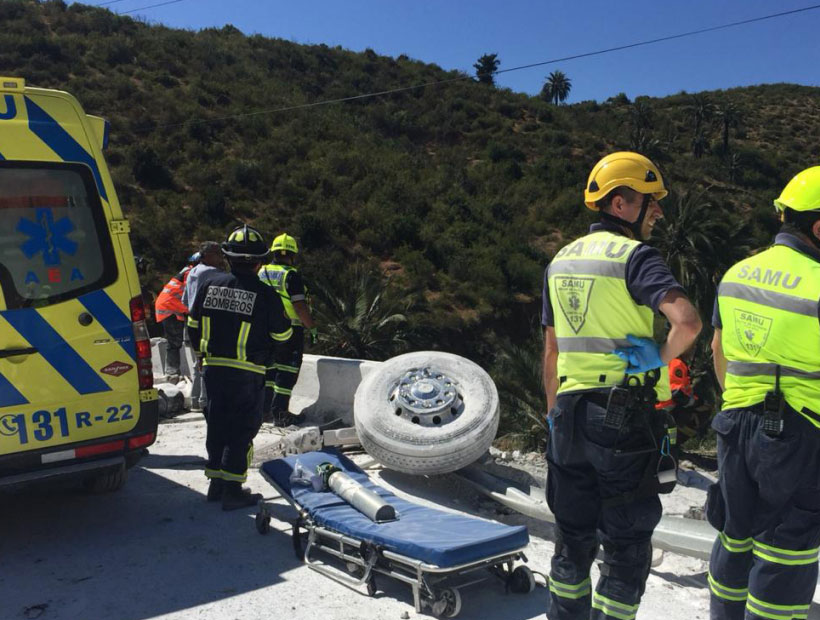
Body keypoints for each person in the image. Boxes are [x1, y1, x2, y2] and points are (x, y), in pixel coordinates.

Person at [542, 151, 701, 620]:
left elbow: (550, 352)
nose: (657, 211)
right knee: (626, 542)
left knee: (572, 537)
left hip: (568, 416)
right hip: (623, 416)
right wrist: (657, 355)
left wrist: (552, 413)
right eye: (650, 201)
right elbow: (687, 323)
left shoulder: (559, 261)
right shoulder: (636, 257)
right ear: (620, 204)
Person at [707, 166, 820, 620]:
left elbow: (718, 349)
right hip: (802, 432)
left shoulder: (737, 274)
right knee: (788, 550)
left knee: (735, 535)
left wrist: (739, 402)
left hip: (734, 425)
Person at [187, 225, 292, 510]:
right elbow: (283, 335)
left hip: (212, 369)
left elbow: (192, 325)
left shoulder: (209, 285)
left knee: (217, 424)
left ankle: (216, 485)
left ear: (228, 258)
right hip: (248, 371)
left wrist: (201, 354)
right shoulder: (266, 294)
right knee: (242, 429)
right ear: (259, 261)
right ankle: (233, 489)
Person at [258, 233, 317, 426]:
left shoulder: (261, 271)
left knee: (269, 370)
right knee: (287, 371)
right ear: (293, 254)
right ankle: (280, 414)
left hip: (263, 329)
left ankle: (265, 411)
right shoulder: (291, 275)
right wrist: (312, 328)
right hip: (290, 329)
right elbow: (299, 306)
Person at [182, 241, 223, 414]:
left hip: (191, 322)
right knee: (209, 363)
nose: (221, 258)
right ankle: (206, 401)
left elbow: (184, 300)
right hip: (207, 324)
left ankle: (195, 400)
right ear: (207, 256)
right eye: (217, 254)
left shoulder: (193, 272)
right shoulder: (212, 273)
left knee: (197, 362)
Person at [155, 252, 199, 382]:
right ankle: (172, 373)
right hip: (170, 308)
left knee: (175, 341)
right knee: (174, 342)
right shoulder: (190, 273)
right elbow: (191, 292)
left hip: (171, 307)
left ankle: (173, 371)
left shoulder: (186, 271)